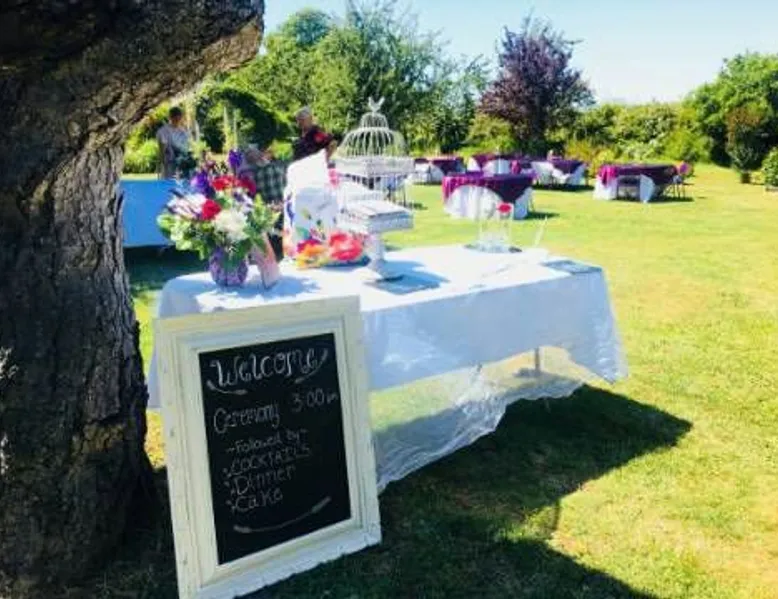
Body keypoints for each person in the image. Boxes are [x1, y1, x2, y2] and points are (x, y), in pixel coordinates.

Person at [238, 146, 287, 260]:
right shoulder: (278, 168)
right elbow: (285, 184)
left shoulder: (255, 174)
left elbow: (254, 196)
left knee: (273, 238)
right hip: (283, 207)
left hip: (268, 212)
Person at [156, 106, 191, 179]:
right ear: (170, 117)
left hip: (182, 165)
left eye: (179, 117)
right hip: (168, 164)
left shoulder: (184, 132)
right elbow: (162, 149)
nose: (177, 120)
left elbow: (187, 148)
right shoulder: (163, 131)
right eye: (175, 117)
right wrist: (161, 163)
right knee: (168, 182)